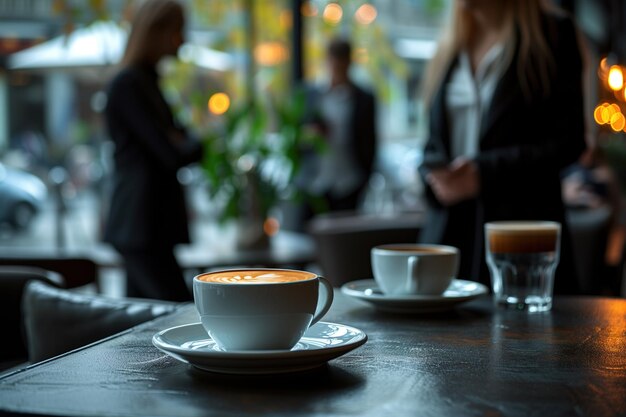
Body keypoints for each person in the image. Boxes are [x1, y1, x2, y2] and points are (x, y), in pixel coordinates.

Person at [417, 0, 588, 294]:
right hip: (449, 235)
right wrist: (434, 175)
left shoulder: (552, 34)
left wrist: (484, 174)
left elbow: (569, 142)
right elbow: (433, 144)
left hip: (519, 241)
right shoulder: (451, 45)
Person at [103, 0, 203, 301]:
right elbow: (173, 153)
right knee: (179, 312)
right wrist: (188, 141)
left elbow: (178, 143)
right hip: (141, 224)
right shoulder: (131, 85)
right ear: (156, 32)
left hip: (146, 225)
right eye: (177, 32)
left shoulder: (146, 83)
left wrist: (182, 141)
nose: (183, 40)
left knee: (141, 323)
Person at [300, 37, 378, 213]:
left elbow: (370, 140)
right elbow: (297, 135)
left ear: (349, 63)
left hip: (350, 181)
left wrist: (366, 176)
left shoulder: (364, 99)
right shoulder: (310, 96)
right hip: (315, 181)